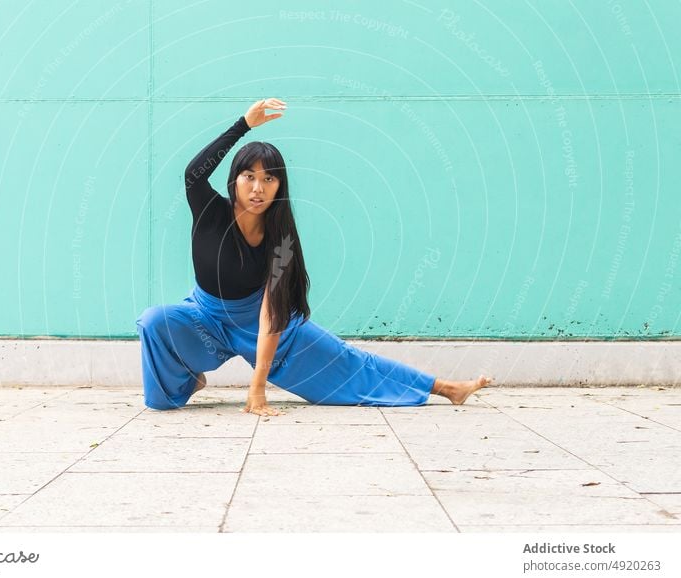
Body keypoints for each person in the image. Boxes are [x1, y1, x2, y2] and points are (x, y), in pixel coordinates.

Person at [136, 98, 493, 416]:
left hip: (261, 323)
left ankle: (446, 388)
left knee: (351, 362)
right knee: (154, 323)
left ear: (280, 187)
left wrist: (258, 387)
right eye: (249, 176)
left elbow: (270, 316)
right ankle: (189, 380)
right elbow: (193, 173)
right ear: (235, 180)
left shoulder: (281, 240)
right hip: (206, 317)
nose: (258, 188)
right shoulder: (211, 212)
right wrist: (243, 125)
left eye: (269, 179)